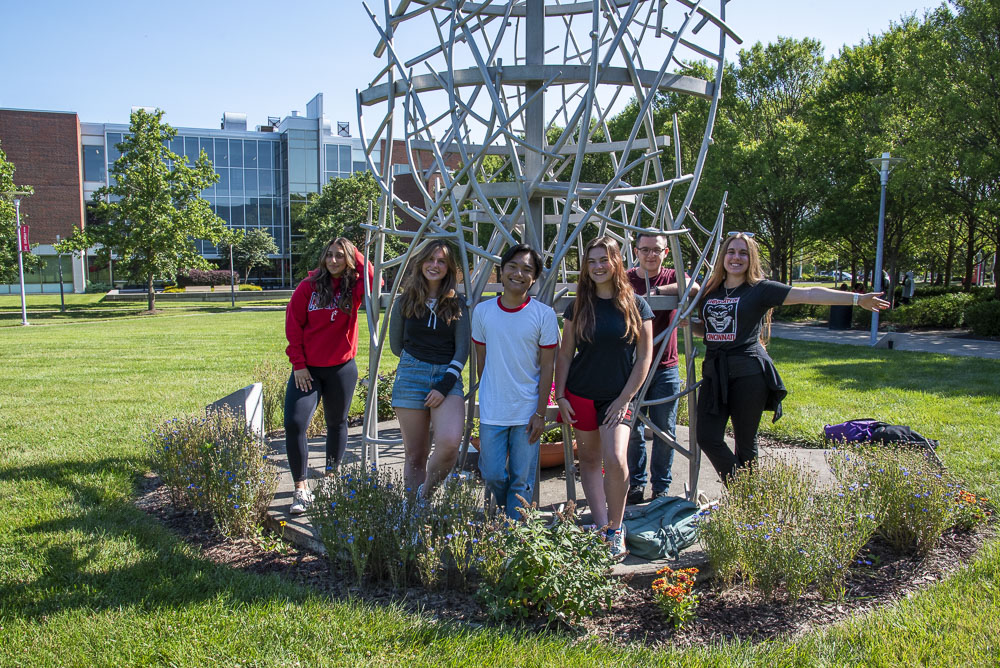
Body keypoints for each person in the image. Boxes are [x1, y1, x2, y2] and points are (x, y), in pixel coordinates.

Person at [695, 232, 889, 483]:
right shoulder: (712, 290)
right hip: (714, 372)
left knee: (745, 442)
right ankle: (748, 493)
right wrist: (686, 325)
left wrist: (856, 299)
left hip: (748, 374)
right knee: (707, 437)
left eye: (743, 253)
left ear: (751, 258)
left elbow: (809, 294)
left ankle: (746, 501)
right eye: (731, 252)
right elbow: (707, 328)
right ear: (723, 256)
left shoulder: (760, 290)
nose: (736, 257)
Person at [554, 236, 654, 560]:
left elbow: (644, 359)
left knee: (616, 459)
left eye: (604, 260)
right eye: (592, 261)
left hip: (617, 398)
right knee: (590, 460)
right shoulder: (578, 306)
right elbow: (565, 355)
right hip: (580, 394)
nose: (597, 266)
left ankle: (616, 525)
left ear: (617, 263)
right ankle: (602, 530)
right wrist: (561, 397)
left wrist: (625, 399)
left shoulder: (637, 306)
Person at [284, 237, 374, 514]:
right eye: (329, 255)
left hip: (341, 368)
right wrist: (298, 364)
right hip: (307, 371)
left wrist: (353, 250)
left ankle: (332, 476)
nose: (333, 261)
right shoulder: (307, 287)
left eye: (339, 256)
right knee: (295, 423)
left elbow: (372, 275)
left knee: (337, 423)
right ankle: (301, 489)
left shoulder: (354, 288)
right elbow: (293, 326)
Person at [472, 244, 560, 520]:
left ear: (534, 278)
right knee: (494, 473)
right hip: (493, 411)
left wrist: (540, 413)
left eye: (527, 269)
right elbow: (481, 361)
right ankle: (509, 515)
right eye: (512, 266)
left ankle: (513, 536)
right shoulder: (483, 312)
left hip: (526, 412)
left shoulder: (544, 315)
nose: (518, 273)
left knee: (521, 480)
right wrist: (491, 393)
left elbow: (548, 367)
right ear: (501, 270)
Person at [389, 241, 470, 501]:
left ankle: (425, 495)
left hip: (447, 378)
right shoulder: (405, 301)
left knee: (448, 445)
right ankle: (412, 511)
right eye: (430, 259)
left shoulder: (458, 303)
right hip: (411, 376)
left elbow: (462, 350)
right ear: (421, 262)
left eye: (442, 261)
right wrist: (419, 366)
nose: (435, 265)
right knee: (415, 454)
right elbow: (396, 345)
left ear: (449, 268)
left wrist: (443, 384)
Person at [625, 231, 699, 505]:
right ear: (636, 251)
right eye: (645, 249)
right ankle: (636, 484)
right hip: (633, 366)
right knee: (631, 428)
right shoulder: (626, 278)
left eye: (656, 250)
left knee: (664, 431)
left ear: (665, 253)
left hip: (665, 365)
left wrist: (656, 292)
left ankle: (661, 487)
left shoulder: (671, 276)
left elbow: (692, 287)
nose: (650, 255)